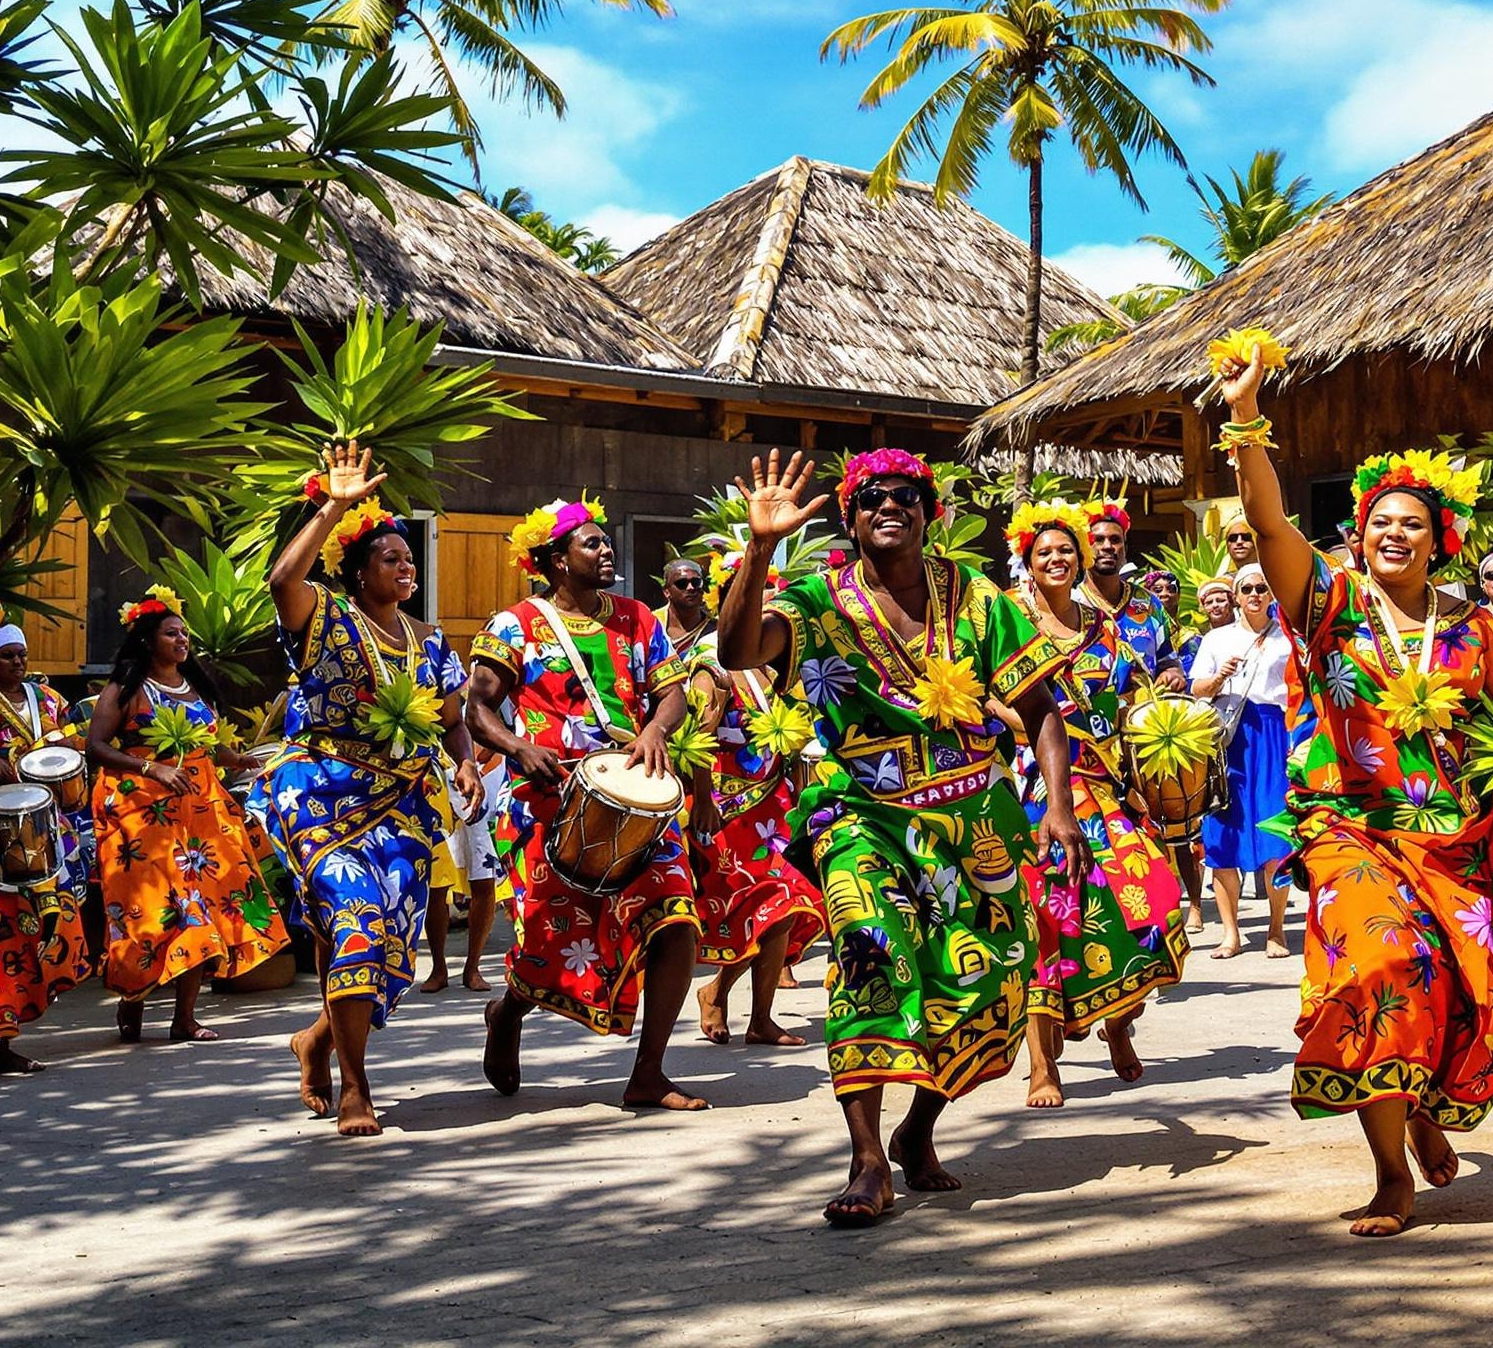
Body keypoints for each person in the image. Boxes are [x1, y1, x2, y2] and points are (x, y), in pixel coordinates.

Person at [1216, 344, 1493, 1239]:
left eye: (1413, 524)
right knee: (1383, 968)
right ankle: (1388, 1175)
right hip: (1351, 829)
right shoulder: (1325, 606)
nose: (1395, 535)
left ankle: (1422, 1108)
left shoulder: (1470, 626)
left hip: (1457, 835)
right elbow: (1267, 526)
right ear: (1361, 534)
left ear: (1439, 539)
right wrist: (1248, 418)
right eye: (1381, 523)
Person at [718, 447, 1085, 1227]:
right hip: (861, 813)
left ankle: (918, 1130)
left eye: (908, 495)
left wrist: (1059, 804)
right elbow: (739, 651)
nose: (891, 505)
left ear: (930, 513)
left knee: (984, 983)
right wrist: (758, 548)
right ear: (849, 518)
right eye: (873, 497)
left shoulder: (978, 598)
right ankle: (866, 1159)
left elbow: (1042, 704)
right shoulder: (816, 599)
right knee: (869, 953)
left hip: (976, 815)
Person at [252, 444, 481, 1135]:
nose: (406, 566)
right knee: (354, 919)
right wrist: (336, 506)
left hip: (400, 806)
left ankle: (318, 1039)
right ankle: (357, 1087)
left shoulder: (430, 642)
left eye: (409, 558)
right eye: (390, 557)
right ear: (355, 572)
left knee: (384, 945)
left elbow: (450, 720)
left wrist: (465, 759)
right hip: (319, 793)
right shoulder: (323, 614)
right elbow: (279, 578)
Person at [464, 497, 706, 1112]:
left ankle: (649, 1071)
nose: (607, 552)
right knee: (548, 942)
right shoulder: (514, 625)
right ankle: (507, 1010)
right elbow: (479, 707)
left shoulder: (638, 621)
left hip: (637, 792)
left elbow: (672, 691)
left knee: (677, 918)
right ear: (554, 559)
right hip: (548, 800)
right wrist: (517, 746)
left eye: (606, 543)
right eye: (592, 544)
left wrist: (655, 730)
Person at [1010, 500, 1190, 1106]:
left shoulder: (1106, 628)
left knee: (1151, 906)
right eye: (1044, 553)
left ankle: (1118, 1020)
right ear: (1027, 563)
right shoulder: (1009, 619)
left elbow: (1130, 696)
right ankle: (1042, 1066)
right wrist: (1030, 726)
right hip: (1035, 788)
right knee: (1045, 921)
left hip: (1108, 784)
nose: (1057, 560)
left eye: (1067, 551)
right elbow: (984, 695)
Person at [87, 590, 290, 1043]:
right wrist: (151, 767)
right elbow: (95, 747)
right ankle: (132, 997)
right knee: (150, 911)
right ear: (147, 640)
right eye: (171, 633)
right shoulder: (125, 688)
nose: (182, 640)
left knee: (201, 905)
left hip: (198, 808)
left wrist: (236, 760)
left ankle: (184, 1018)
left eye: (184, 633)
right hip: (139, 812)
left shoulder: (193, 686)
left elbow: (206, 742)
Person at [680, 554, 826, 1050]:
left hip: (776, 808)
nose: (770, 603)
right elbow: (695, 733)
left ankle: (756, 1015)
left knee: (783, 909)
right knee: (766, 908)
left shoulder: (779, 662)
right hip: (728, 810)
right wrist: (701, 798)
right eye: (759, 593)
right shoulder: (713, 664)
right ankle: (720, 991)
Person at [1189, 565, 1300, 958]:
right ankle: (1231, 934)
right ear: (1236, 596)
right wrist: (1220, 677)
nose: (1255, 594)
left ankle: (1275, 929)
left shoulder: (1288, 638)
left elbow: (1301, 692)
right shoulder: (1217, 639)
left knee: (1276, 832)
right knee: (1223, 836)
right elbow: (1197, 688)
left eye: (1262, 588)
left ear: (1271, 594)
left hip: (1274, 735)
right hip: (1229, 738)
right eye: (1247, 588)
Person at [0, 617, 89, 1071]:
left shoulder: (49, 698)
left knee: (52, 928)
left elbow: (74, 743)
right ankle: (2, 1042)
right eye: (6, 656)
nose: (17, 663)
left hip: (51, 830)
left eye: (21, 655)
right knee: (4, 937)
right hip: (2, 837)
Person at [1084, 502, 1187, 694]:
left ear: (1125, 548)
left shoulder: (1149, 603)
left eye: (1115, 540)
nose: (1107, 546)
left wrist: (1172, 675)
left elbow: (1168, 660)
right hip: (1087, 720)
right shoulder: (1072, 604)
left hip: (1142, 717)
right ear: (1083, 547)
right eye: (1097, 540)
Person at [427, 745, 504, 992]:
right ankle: (438, 968)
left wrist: (482, 755)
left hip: (484, 770)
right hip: (438, 768)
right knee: (437, 880)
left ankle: (473, 968)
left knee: (483, 877)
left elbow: (488, 717)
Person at [656, 557, 716, 656]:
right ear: (666, 592)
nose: (691, 588)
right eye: (682, 583)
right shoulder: (652, 623)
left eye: (696, 582)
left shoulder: (714, 631)